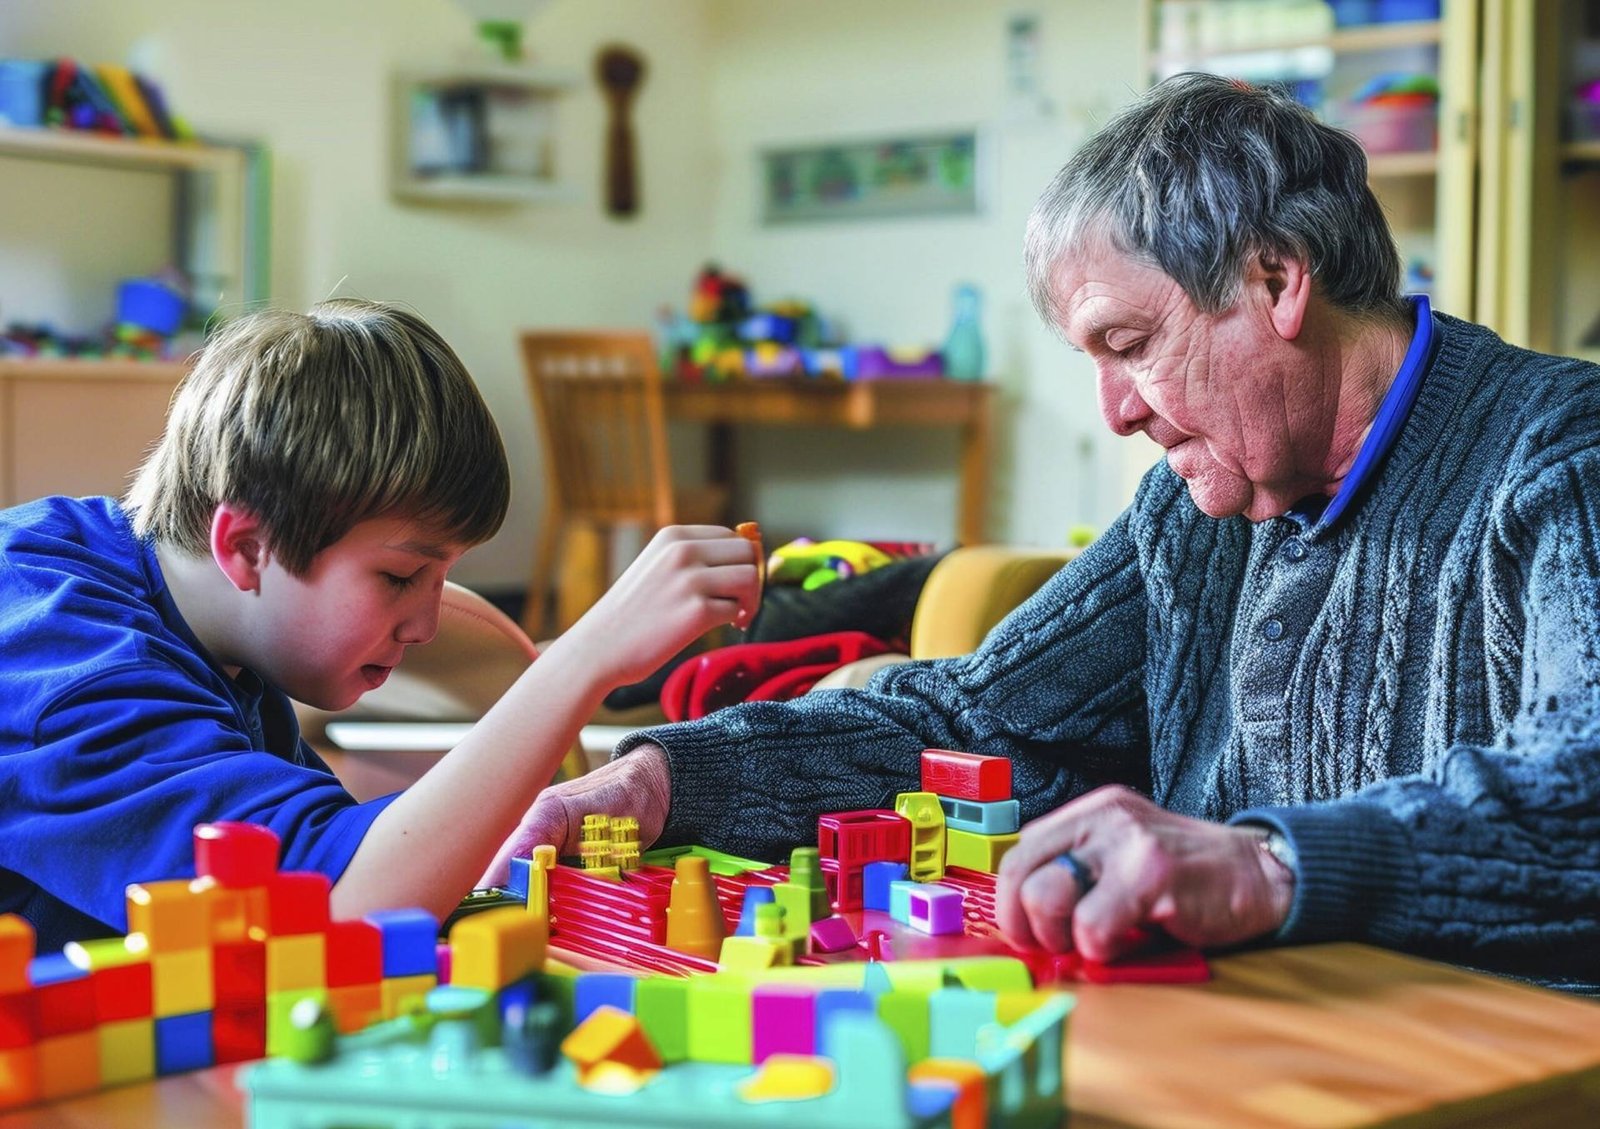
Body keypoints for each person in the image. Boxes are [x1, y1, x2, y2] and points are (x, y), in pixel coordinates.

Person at [493, 74, 1600, 993]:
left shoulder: (1561, 453)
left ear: (1275, 279)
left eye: (1130, 344)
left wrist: (1263, 864)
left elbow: (1584, 788)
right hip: (1245, 1043)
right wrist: (667, 779)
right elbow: (981, 716)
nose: (1115, 411)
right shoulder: (1202, 506)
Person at [0, 299, 760, 952]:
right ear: (245, 544)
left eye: (441, 575)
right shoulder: (73, 671)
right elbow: (341, 910)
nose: (427, 620)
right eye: (400, 576)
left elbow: (325, 846)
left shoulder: (210, 626)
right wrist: (582, 660)